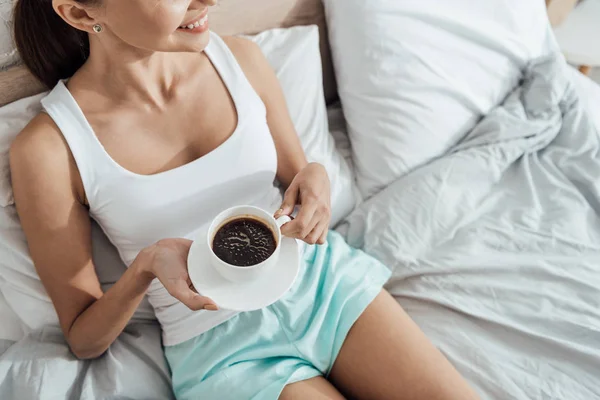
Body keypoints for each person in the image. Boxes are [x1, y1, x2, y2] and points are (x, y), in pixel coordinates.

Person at [9, 0, 479, 399]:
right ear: (78, 11)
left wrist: (315, 176)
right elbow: (84, 339)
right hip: (220, 350)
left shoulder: (241, 60)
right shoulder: (49, 150)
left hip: (324, 286)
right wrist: (146, 267)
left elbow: (298, 178)